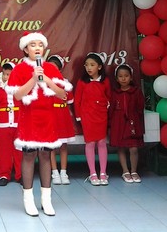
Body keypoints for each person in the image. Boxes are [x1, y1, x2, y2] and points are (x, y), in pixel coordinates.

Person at [7, 32, 72, 216]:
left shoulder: (50, 68)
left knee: (45, 155)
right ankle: (28, 200)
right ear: (25, 49)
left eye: (40, 45)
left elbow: (62, 94)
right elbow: (17, 95)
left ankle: (46, 200)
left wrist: (46, 79)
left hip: (47, 118)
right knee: (28, 156)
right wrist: (33, 79)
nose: (37, 48)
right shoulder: (19, 69)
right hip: (29, 119)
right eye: (33, 45)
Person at [74, 52, 111, 186]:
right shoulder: (82, 82)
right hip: (87, 116)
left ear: (99, 67)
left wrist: (106, 106)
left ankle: (103, 173)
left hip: (101, 115)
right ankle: (93, 173)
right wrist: (79, 115)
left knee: (101, 142)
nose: (89, 68)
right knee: (90, 143)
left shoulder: (105, 81)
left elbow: (109, 96)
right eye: (86, 65)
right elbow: (77, 100)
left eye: (92, 65)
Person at [0, 62, 22, 186]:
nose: (7, 77)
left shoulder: (20, 89)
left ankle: (20, 175)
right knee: (3, 152)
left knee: (19, 151)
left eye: (9, 75)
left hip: (18, 124)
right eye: (5, 74)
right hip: (2, 125)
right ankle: (4, 175)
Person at [109, 64, 145, 183]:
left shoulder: (136, 92)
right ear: (116, 78)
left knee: (133, 148)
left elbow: (140, 107)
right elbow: (111, 108)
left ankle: (134, 171)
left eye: (126, 76)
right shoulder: (114, 92)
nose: (123, 78)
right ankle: (125, 171)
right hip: (118, 123)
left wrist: (134, 119)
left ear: (131, 77)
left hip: (132, 122)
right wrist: (110, 123)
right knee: (121, 147)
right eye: (120, 76)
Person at [46, 54, 75, 186]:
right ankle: (54, 172)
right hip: (50, 116)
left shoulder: (65, 83)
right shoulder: (44, 83)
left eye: (55, 67)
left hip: (63, 117)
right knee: (51, 146)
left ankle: (64, 172)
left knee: (63, 145)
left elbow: (69, 101)